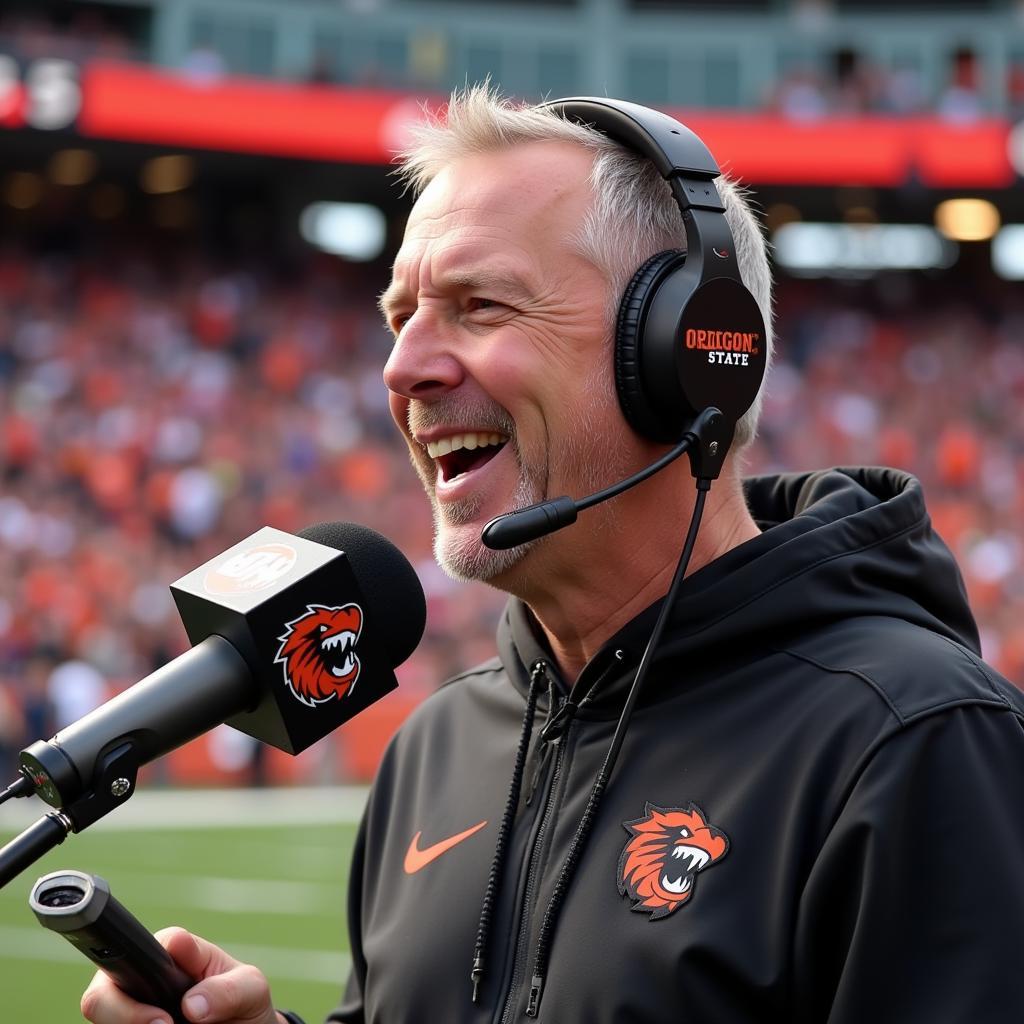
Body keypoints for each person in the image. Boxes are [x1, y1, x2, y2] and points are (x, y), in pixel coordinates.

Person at [82, 87, 1024, 1024]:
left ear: (690, 353)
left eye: (480, 305)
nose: (402, 367)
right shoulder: (439, 744)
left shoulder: (919, 741)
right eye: (399, 316)